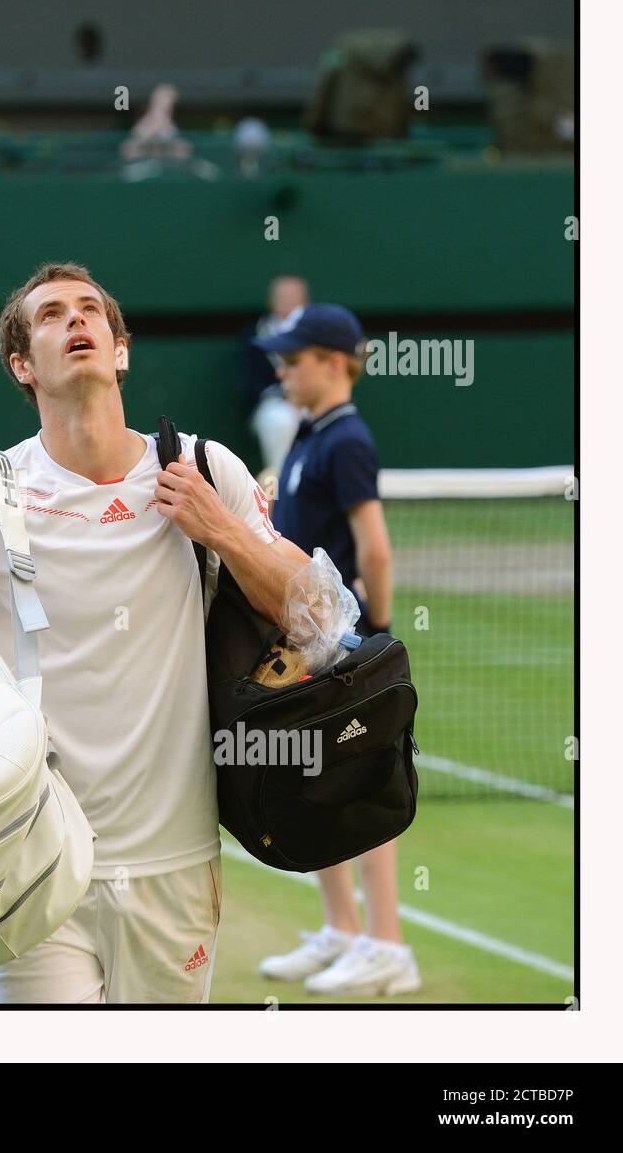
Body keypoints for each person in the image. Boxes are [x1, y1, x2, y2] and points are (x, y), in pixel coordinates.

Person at [0, 261, 311, 1004]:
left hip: (174, 861)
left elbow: (318, 613)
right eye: (51, 316)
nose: (75, 322)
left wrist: (222, 532)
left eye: (90, 312)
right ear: (22, 364)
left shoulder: (205, 467)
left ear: (120, 350)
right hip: (25, 859)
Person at [255, 302, 421, 997]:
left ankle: (387, 945)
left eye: (294, 359)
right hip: (304, 645)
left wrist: (371, 633)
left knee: (361, 785)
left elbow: (374, 545)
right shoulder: (308, 434)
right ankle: (343, 930)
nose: (283, 370)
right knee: (314, 787)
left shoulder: (346, 439)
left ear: (333, 361)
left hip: (340, 645)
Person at [241, 275, 309, 479]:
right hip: (273, 404)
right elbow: (250, 383)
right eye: (282, 297)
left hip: (309, 401)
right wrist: (286, 396)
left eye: (293, 297)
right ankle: (281, 489)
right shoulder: (255, 333)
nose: (288, 302)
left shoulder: (313, 335)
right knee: (279, 420)